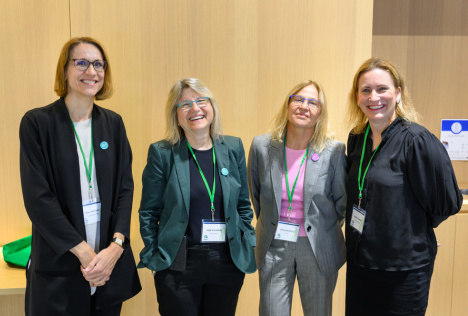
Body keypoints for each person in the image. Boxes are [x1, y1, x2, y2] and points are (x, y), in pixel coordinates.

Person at [19, 37, 141, 316]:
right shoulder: (38, 123)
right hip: (62, 262)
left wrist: (116, 246)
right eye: (81, 63)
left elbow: (125, 187)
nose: (91, 71)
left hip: (108, 261)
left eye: (98, 64)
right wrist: (85, 253)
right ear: (65, 69)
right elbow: (38, 198)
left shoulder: (113, 123)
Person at [345, 57, 463, 316]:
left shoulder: (417, 140)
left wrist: (417, 230)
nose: (374, 97)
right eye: (366, 90)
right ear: (357, 97)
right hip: (360, 264)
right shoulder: (356, 139)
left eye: (382, 89)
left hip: (403, 271)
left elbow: (446, 202)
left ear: (398, 93)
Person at [138, 78, 257, 316]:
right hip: (179, 260)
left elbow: (243, 204)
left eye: (201, 101)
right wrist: (154, 255)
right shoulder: (162, 153)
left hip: (227, 260)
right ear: (176, 114)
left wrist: (248, 240)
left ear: (211, 106)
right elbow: (149, 212)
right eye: (185, 104)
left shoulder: (232, 148)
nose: (195, 109)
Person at [248, 80, 347, 316]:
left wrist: (320, 229)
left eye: (313, 102)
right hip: (274, 245)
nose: (304, 106)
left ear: (320, 112)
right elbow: (256, 195)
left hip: (317, 247)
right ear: (288, 104)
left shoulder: (333, 150)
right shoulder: (262, 146)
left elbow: (342, 202)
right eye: (299, 99)